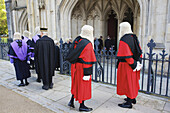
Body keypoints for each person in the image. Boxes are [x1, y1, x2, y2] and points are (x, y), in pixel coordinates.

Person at [66, 25, 96, 112]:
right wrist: (87, 73)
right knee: (83, 86)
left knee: (76, 84)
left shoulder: (78, 40)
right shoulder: (87, 43)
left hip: (75, 66)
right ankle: (82, 105)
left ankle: (71, 101)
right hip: (82, 68)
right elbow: (87, 59)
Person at [116, 22, 142, 108]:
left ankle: (129, 103)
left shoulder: (124, 39)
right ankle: (132, 98)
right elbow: (139, 50)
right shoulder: (134, 37)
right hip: (134, 64)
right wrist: (137, 63)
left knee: (127, 83)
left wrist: (133, 64)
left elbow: (126, 54)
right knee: (132, 82)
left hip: (127, 65)